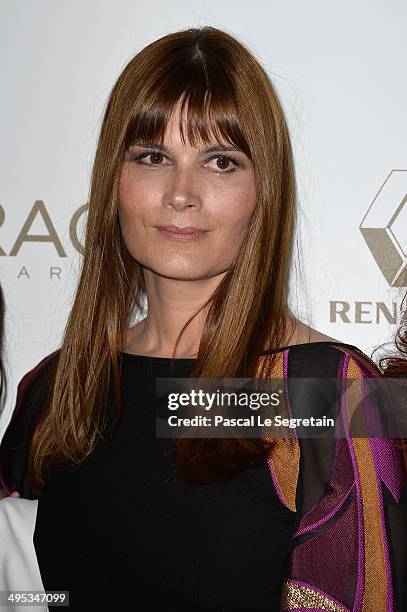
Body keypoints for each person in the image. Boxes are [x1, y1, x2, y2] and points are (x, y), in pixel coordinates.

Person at [0, 26, 406, 611]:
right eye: (152, 156)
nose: (181, 193)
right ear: (113, 179)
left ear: (263, 190)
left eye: (220, 160)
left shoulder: (332, 396)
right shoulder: (58, 385)